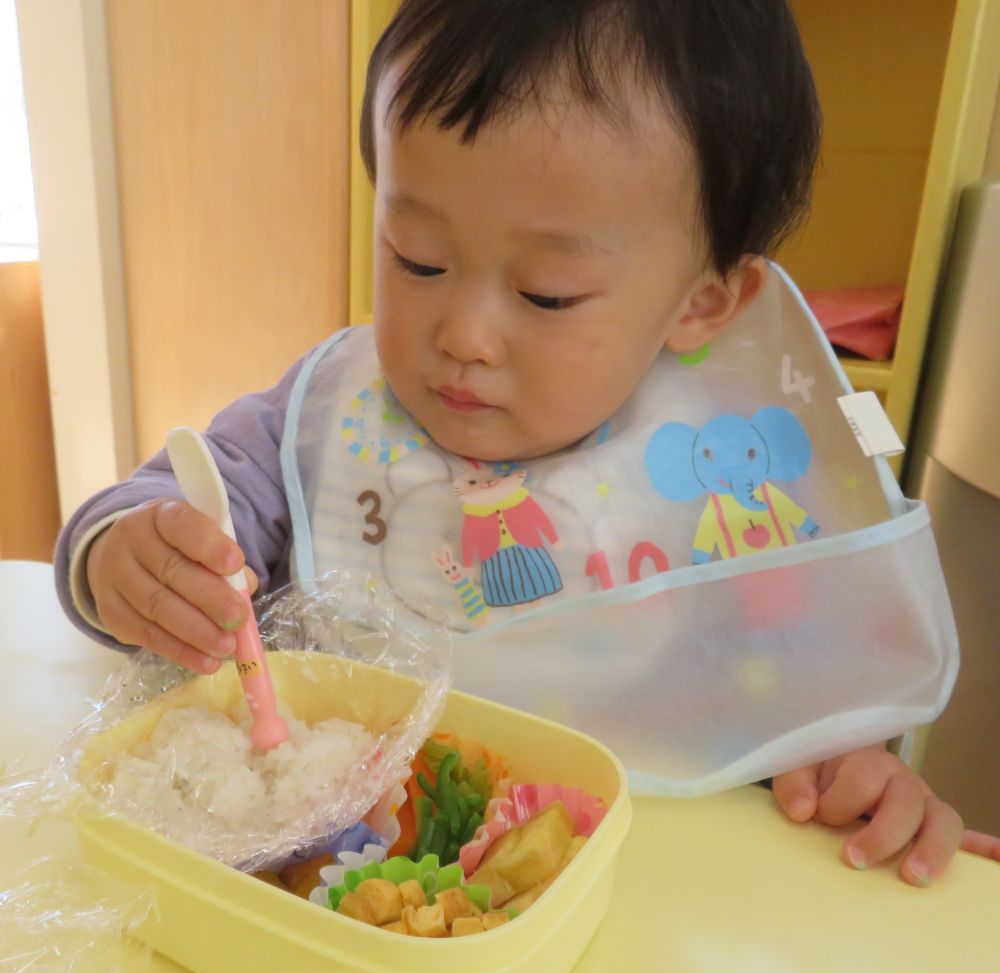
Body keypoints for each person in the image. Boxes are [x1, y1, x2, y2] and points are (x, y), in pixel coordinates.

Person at [56, 0, 982, 883]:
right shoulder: (335, 416)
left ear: (701, 300)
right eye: (416, 259)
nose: (463, 334)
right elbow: (186, 502)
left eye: (545, 293)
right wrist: (127, 557)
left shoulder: (719, 472)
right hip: (325, 904)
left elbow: (791, 705)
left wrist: (845, 775)